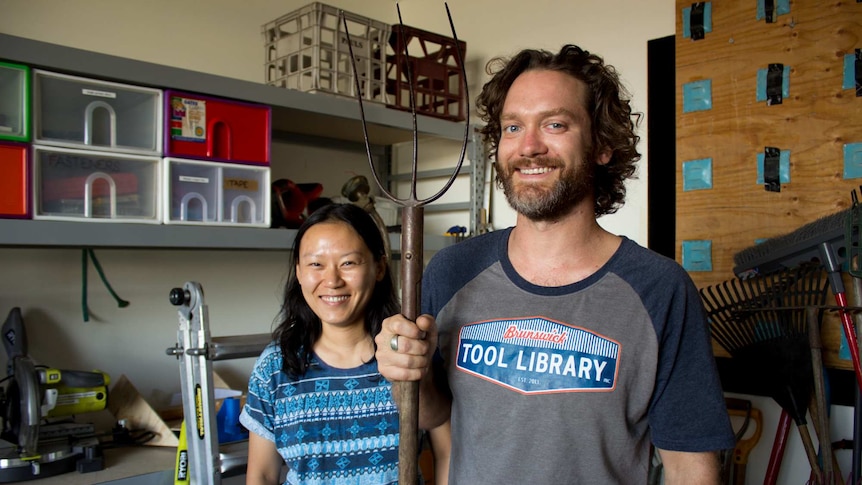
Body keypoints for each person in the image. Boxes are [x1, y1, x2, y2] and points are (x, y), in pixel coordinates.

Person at [374, 45, 735, 484]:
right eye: (512, 127)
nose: (528, 147)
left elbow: (689, 467)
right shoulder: (453, 270)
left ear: (601, 145)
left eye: (555, 124)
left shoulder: (660, 289)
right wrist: (404, 371)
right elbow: (434, 413)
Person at [240, 203, 450, 485]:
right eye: (316, 264)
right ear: (299, 272)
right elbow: (262, 475)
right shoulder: (276, 367)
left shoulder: (407, 354)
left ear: (379, 268)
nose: (332, 280)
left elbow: (447, 452)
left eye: (348, 263)